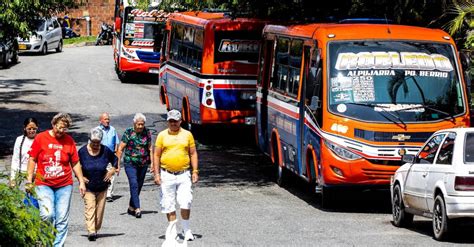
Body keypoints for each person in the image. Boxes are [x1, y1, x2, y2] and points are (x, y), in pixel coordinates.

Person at [26, 113, 86, 247]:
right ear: (53, 124)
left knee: (62, 218)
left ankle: (57, 245)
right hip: (43, 183)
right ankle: (47, 241)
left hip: (64, 184)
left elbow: (75, 163)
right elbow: (32, 159)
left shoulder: (69, 141)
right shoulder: (41, 138)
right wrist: (29, 180)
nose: (61, 131)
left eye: (64, 129)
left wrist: (81, 181)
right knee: (47, 215)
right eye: (59, 128)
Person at [153, 109, 199, 241]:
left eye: (175, 121)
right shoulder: (162, 135)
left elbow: (193, 153)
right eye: (170, 121)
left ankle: (186, 229)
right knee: (168, 203)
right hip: (166, 174)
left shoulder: (187, 135)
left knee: (186, 201)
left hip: (184, 174)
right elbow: (156, 155)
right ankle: (172, 230)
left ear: (180, 121)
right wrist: (156, 174)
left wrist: (195, 171)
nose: (173, 123)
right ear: (168, 121)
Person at [79, 127, 118, 241]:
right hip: (88, 186)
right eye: (93, 142)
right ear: (89, 140)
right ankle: (91, 232)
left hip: (102, 185)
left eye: (98, 143)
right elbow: (75, 165)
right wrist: (81, 177)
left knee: (99, 213)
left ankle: (95, 228)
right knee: (90, 208)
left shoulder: (105, 150)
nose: (96, 145)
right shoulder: (82, 151)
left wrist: (112, 170)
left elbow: (115, 159)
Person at [116, 113, 153, 218]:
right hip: (130, 163)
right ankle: (137, 208)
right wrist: (117, 165)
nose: (140, 126)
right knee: (134, 183)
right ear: (134, 123)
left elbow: (150, 149)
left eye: (142, 124)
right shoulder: (129, 132)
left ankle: (131, 207)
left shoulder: (147, 132)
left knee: (139, 185)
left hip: (143, 163)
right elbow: (120, 149)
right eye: (138, 124)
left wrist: (153, 164)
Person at [97, 112, 120, 202]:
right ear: (101, 120)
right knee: (100, 173)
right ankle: (100, 191)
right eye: (105, 119)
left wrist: (116, 154)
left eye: (108, 119)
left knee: (111, 173)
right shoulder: (97, 130)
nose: (107, 121)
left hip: (110, 155)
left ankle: (109, 194)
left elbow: (116, 143)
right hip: (100, 155)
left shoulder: (112, 130)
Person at [10, 117, 39, 187]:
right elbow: (15, 160)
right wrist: (13, 178)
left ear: (37, 128)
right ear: (24, 128)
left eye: (34, 129)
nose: (31, 131)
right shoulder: (19, 140)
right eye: (29, 129)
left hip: (37, 176)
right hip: (22, 176)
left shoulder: (40, 139)